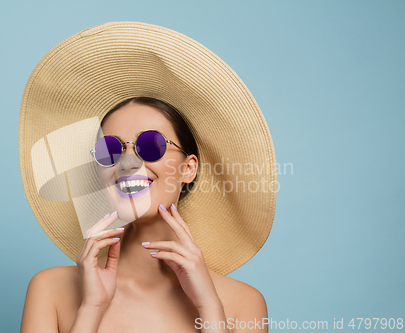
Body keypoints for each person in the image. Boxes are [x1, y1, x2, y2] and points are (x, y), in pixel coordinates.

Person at [18, 22, 277, 333]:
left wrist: (209, 307)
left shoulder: (243, 303)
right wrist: (92, 307)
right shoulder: (51, 289)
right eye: (110, 149)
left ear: (188, 168)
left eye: (150, 145)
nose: (127, 162)